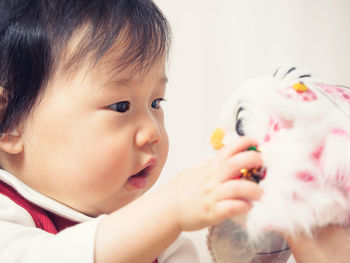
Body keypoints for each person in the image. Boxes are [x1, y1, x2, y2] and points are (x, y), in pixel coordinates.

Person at [0, 0, 264, 262]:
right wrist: (171, 208)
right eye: (120, 106)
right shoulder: (7, 218)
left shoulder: (164, 245)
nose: (153, 131)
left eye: (156, 103)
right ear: (9, 124)